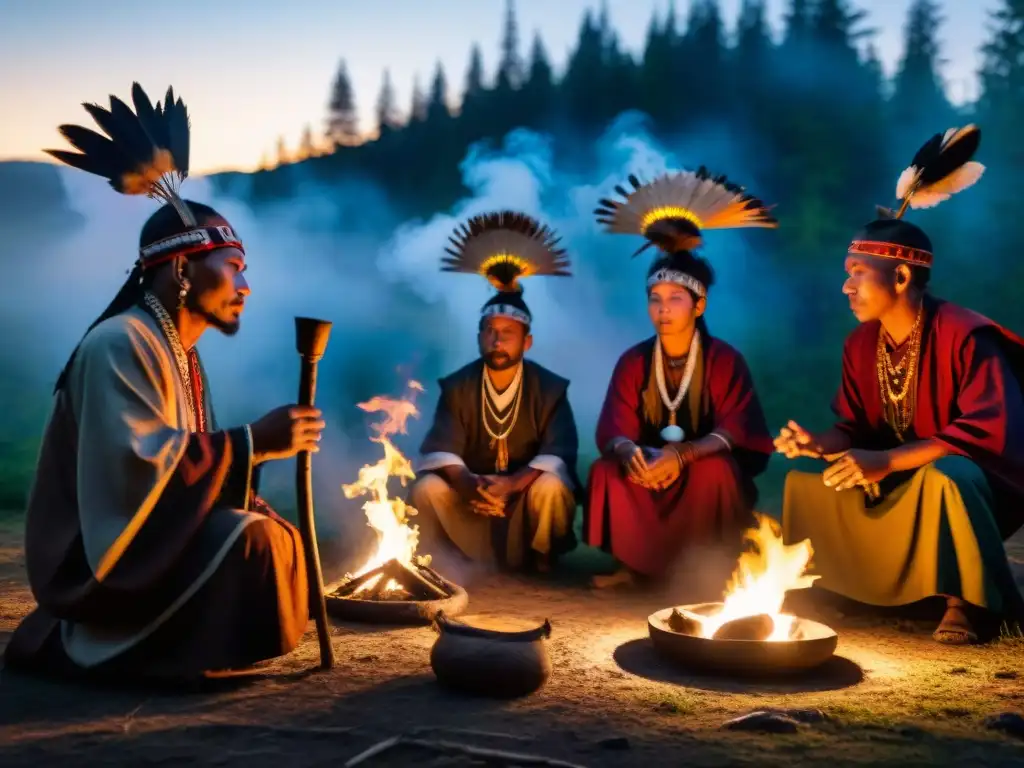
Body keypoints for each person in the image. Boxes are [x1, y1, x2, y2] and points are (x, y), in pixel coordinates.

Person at [4, 83, 324, 682]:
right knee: (253, 543)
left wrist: (246, 472)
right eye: (233, 267)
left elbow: (179, 470)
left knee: (268, 535)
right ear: (181, 269)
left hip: (143, 541)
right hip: (97, 565)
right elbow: (137, 469)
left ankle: (179, 644)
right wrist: (254, 442)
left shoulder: (178, 353)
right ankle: (124, 649)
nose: (245, 286)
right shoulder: (119, 343)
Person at [775, 125, 1024, 644]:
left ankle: (969, 601)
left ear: (902, 278)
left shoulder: (965, 335)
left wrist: (886, 460)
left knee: (948, 476)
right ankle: (839, 586)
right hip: (896, 478)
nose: (846, 285)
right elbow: (854, 428)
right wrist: (818, 443)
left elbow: (980, 439)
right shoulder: (860, 346)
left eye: (858, 271)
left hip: (969, 491)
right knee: (807, 483)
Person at [584, 169, 776, 588]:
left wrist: (683, 456)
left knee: (718, 472)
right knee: (607, 470)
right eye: (655, 299)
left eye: (675, 299)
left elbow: (736, 430)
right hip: (650, 464)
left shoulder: (724, 360)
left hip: (700, 468)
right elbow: (614, 428)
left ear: (699, 305)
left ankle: (706, 570)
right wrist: (630, 451)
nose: (663, 309)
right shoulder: (634, 361)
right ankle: (632, 567)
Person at [408, 211, 579, 572]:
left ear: (527, 342)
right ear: (479, 337)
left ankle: (541, 559)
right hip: (474, 500)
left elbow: (558, 452)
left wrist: (513, 485)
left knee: (551, 485)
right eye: (489, 331)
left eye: (508, 333)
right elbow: (442, 449)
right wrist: (472, 485)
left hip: (522, 504)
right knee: (427, 489)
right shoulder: (457, 387)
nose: (497, 340)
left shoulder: (549, 389)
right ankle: (446, 562)